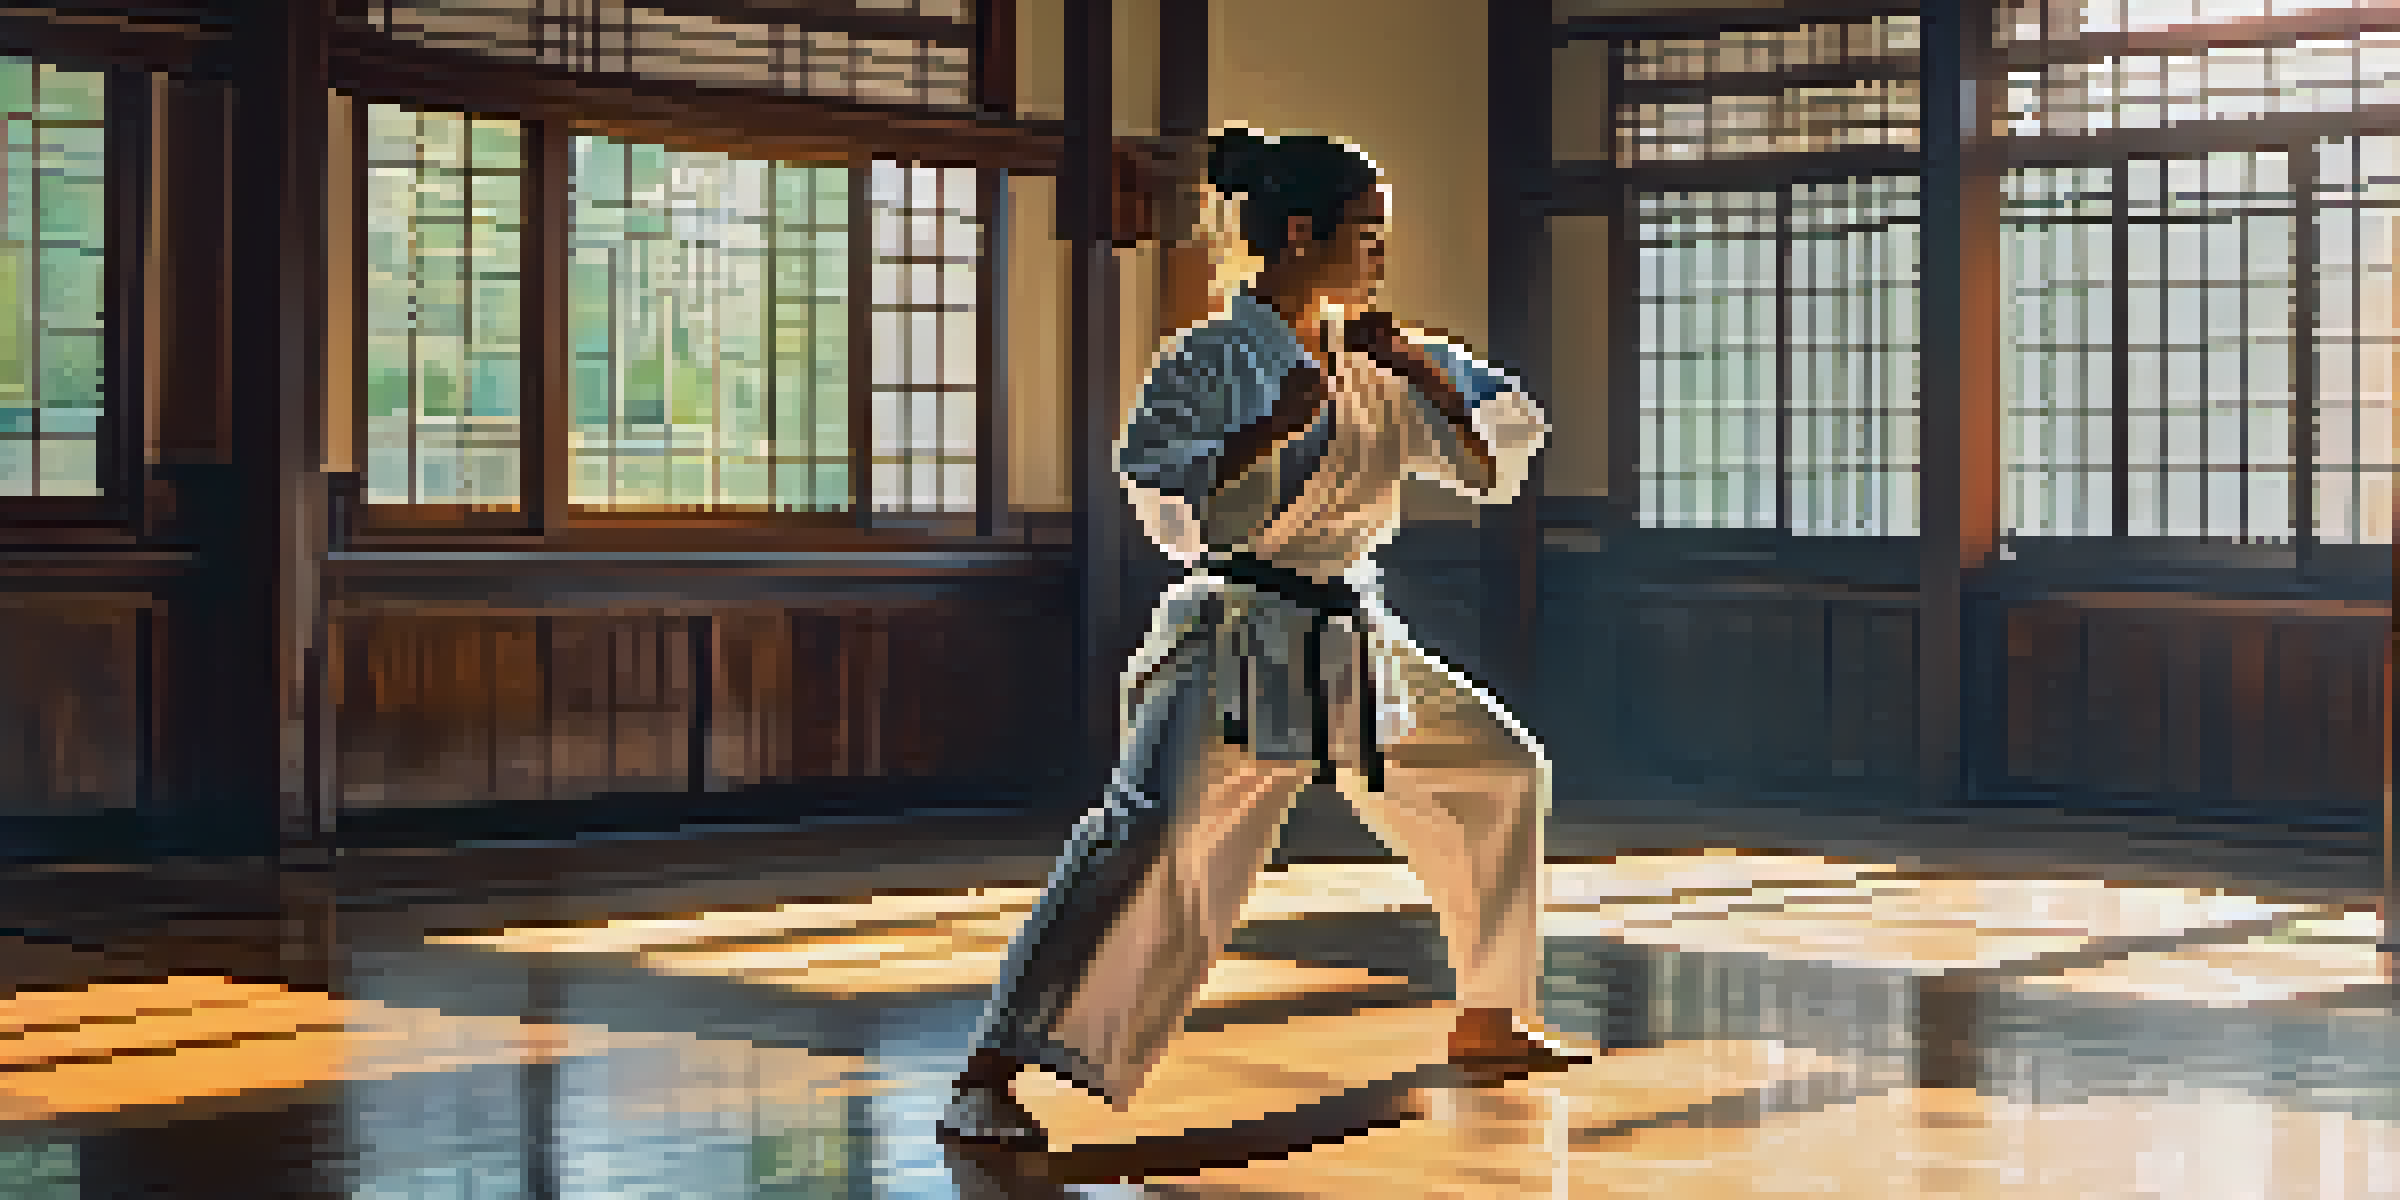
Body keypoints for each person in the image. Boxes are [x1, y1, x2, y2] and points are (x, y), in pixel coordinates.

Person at [938, 126, 1580, 1150]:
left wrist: (1418, 364)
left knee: (1500, 771)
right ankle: (987, 1075)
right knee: (1143, 839)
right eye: (1364, 233)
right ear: (1297, 231)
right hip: (1236, 634)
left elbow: (1491, 456)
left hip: (1350, 631)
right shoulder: (1207, 358)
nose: (1379, 253)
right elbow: (1163, 486)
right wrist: (1268, 428)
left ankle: (1491, 1013)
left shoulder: (1378, 350)